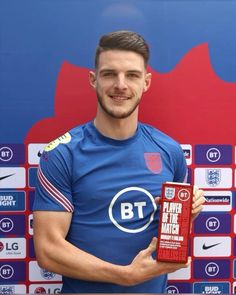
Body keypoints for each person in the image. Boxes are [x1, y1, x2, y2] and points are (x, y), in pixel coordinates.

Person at [33, 30, 205, 293]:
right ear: (93, 80)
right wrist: (124, 276)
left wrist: (186, 213)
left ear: (146, 82)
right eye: (109, 74)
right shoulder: (62, 154)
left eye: (132, 75)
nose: (121, 85)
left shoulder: (169, 151)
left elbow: (170, 237)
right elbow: (48, 250)